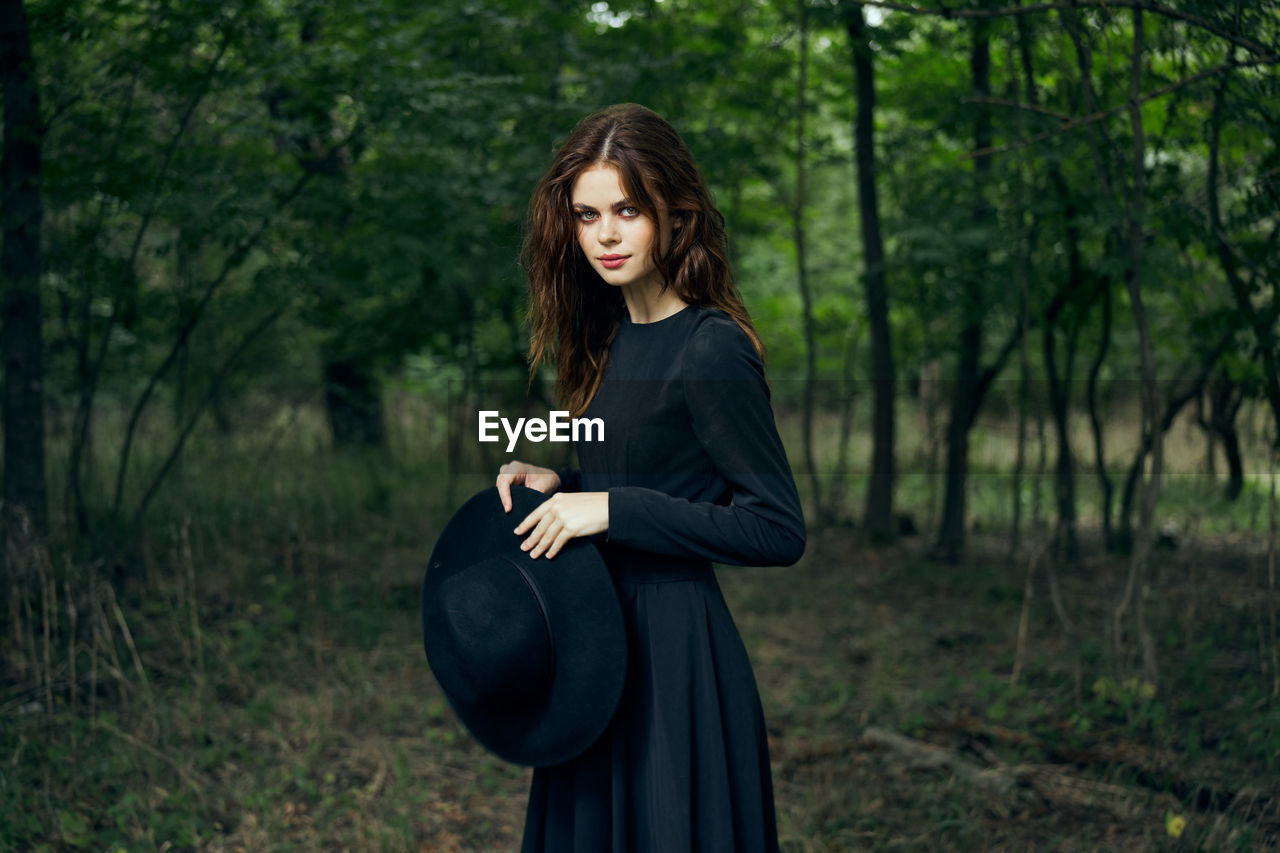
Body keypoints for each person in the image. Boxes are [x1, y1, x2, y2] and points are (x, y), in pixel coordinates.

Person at [495, 103, 805, 853]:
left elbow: (775, 527)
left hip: (674, 659)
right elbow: (642, 473)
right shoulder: (605, 337)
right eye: (587, 213)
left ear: (677, 212)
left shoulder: (712, 348)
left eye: (628, 210)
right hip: (594, 641)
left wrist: (609, 508)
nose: (605, 234)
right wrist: (562, 481)